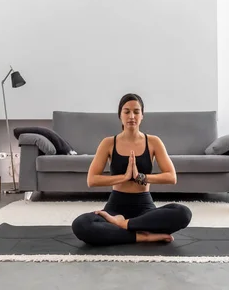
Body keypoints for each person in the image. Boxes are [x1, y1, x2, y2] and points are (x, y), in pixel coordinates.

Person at [71, 93, 192, 245]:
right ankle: (141, 236)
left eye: (136, 111)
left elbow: (171, 176)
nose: (131, 116)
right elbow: (92, 180)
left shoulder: (153, 142)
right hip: (115, 207)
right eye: (126, 111)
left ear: (142, 115)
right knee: (81, 225)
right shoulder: (108, 143)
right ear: (120, 115)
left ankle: (124, 225)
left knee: (183, 213)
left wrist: (140, 177)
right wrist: (124, 177)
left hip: (145, 207)